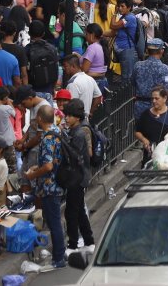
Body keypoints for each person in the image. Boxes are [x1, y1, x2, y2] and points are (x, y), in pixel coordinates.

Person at [22, 104, 68, 269]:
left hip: (50, 186)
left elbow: (48, 166)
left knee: (54, 222)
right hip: (58, 184)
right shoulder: (59, 131)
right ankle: (61, 254)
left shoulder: (48, 137)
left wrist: (32, 175)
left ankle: (59, 259)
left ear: (40, 119)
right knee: (55, 220)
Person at [60, 99, 97, 254]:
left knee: (71, 212)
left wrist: (62, 138)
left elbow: (73, 154)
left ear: (77, 117)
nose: (66, 118)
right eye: (65, 115)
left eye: (69, 116)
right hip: (77, 176)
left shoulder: (80, 133)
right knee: (80, 211)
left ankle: (73, 244)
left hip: (78, 177)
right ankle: (88, 241)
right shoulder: (74, 131)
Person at [130, 38, 168, 118]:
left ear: (147, 50)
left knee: (140, 129)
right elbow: (166, 88)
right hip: (158, 105)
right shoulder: (165, 69)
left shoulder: (138, 65)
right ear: (161, 51)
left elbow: (132, 82)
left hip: (140, 106)